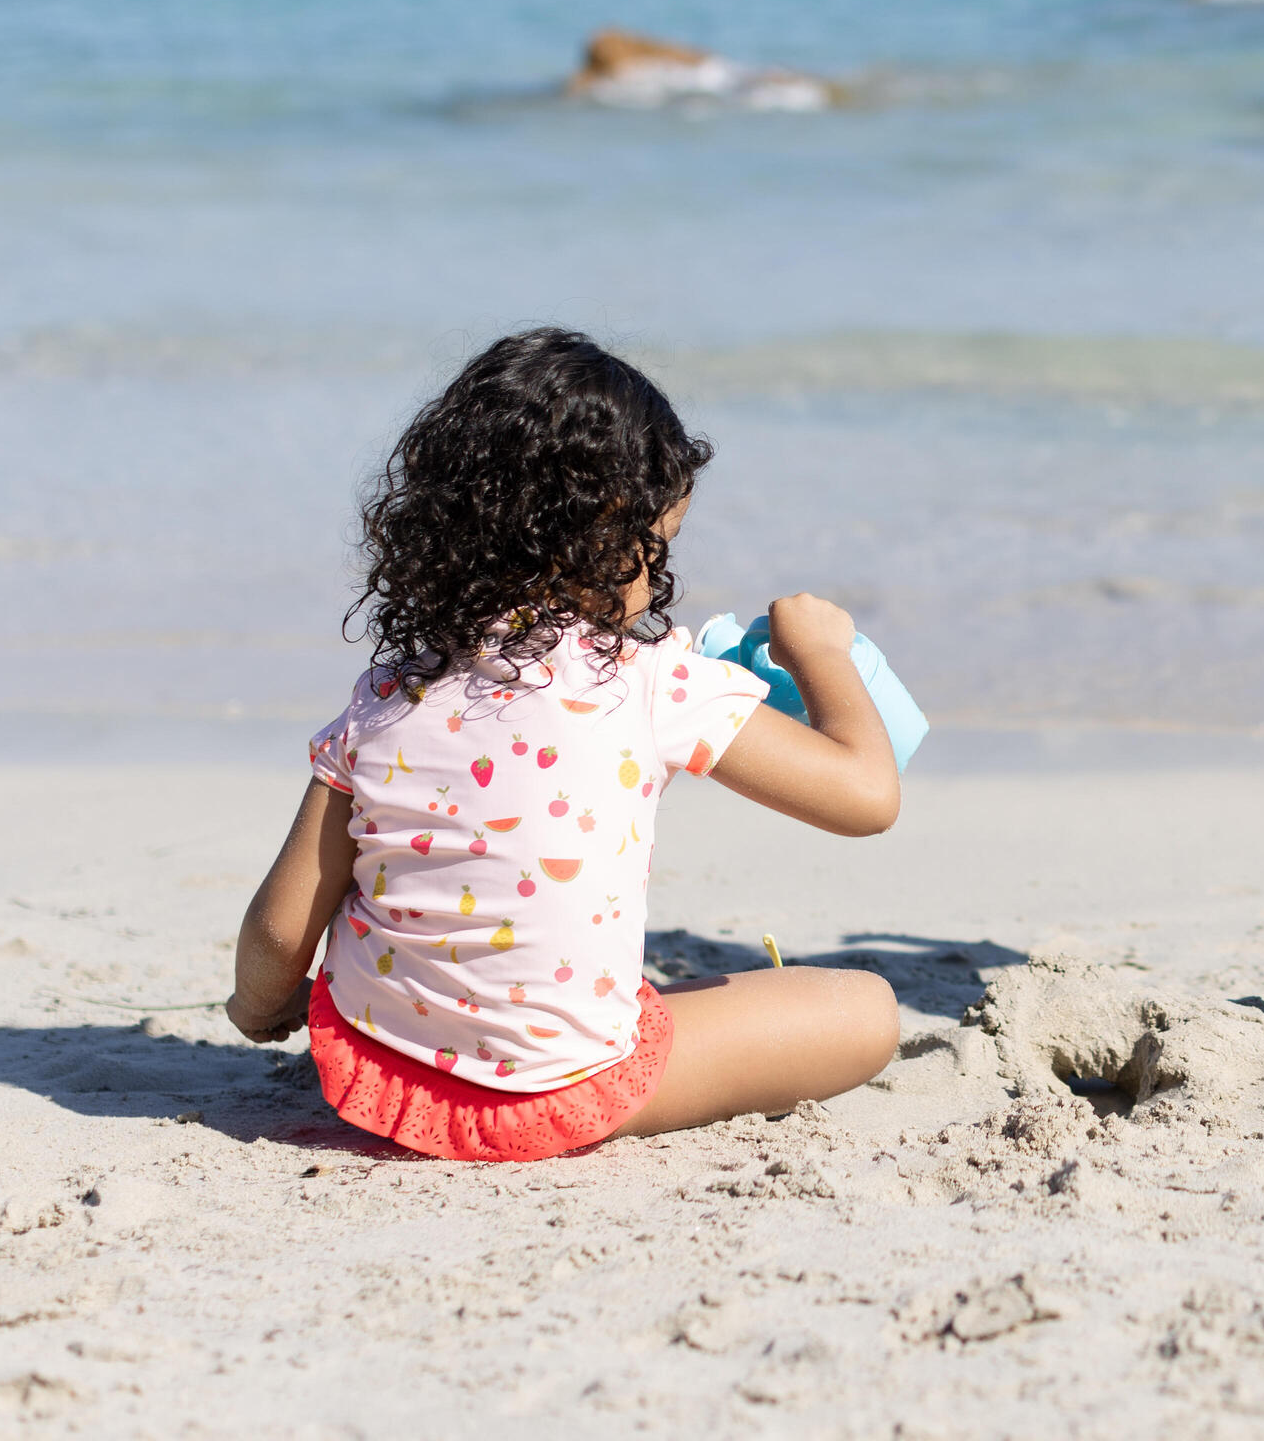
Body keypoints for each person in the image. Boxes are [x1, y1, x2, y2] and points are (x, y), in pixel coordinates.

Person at [223, 328, 901, 1160]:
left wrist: (258, 1011)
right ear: (612, 538)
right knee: (865, 1010)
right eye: (660, 546)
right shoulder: (650, 683)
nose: (657, 576)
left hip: (381, 1074)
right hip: (559, 1095)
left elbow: (280, 934)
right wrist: (821, 653)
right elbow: (867, 796)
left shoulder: (387, 695)